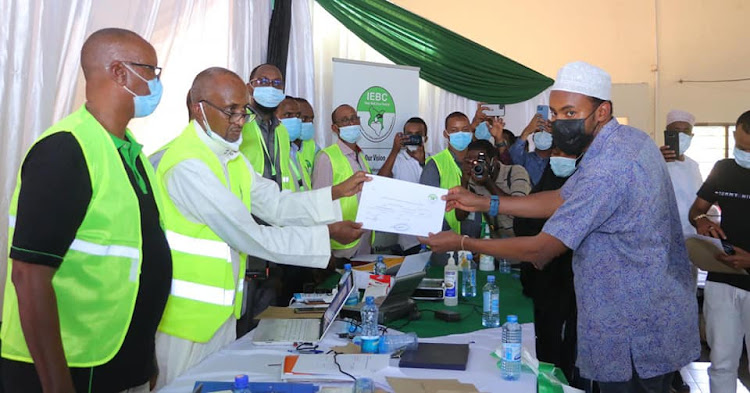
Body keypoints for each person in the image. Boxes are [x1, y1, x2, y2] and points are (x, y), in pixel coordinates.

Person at [421, 61, 700, 393]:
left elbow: (540, 249)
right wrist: (485, 203)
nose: (559, 123)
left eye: (570, 113)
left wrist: (461, 242)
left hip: (633, 332)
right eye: (554, 113)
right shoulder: (627, 140)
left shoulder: (609, 168)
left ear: (602, 111)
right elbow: (561, 197)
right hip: (651, 315)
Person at [151, 68, 367, 387]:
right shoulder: (188, 165)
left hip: (222, 315)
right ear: (199, 108)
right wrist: (328, 234)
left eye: (244, 110)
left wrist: (335, 193)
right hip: (184, 323)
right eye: (231, 111)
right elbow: (250, 235)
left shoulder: (231, 158)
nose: (240, 119)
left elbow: (276, 204)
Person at [1, 28, 170, 393]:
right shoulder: (66, 150)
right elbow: (29, 276)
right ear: (120, 73)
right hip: (70, 368)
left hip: (120, 361)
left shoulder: (130, 153)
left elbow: (140, 264)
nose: (157, 85)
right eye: (152, 72)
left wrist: (146, 358)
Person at [688, 110, 750, 393]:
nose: (742, 153)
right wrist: (701, 222)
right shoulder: (723, 169)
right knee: (722, 361)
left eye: (748, 149)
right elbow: (696, 210)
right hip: (722, 277)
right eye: (739, 145)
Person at [515, 147, 578, 384]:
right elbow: (524, 222)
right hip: (542, 279)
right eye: (557, 153)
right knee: (544, 338)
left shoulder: (585, 190)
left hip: (571, 279)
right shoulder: (545, 184)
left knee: (568, 342)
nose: (561, 159)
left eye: (569, 154)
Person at [312, 104, 374, 260]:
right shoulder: (327, 157)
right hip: (341, 244)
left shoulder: (360, 155)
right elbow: (319, 203)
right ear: (335, 128)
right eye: (345, 120)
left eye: (354, 118)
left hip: (364, 238)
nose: (351, 123)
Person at [420, 112, 482, 239]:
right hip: (448, 242)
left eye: (465, 130)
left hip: (483, 240)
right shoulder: (435, 164)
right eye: (454, 130)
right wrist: (450, 238)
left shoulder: (480, 161)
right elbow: (429, 207)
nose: (461, 134)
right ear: (445, 134)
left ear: (471, 132)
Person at [377, 117, 429, 254]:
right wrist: (395, 150)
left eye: (417, 134)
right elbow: (380, 182)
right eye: (408, 134)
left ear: (425, 138)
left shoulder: (434, 159)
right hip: (408, 239)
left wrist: (422, 162)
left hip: (433, 235)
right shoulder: (397, 159)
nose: (412, 138)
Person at [240, 63, 295, 191]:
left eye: (277, 83)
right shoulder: (239, 123)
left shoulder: (282, 130)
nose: (271, 87)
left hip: (279, 204)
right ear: (250, 88)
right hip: (247, 206)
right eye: (263, 81)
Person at [463, 140, 531, 238]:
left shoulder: (515, 172)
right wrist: (464, 180)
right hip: (498, 240)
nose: (476, 166)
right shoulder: (474, 180)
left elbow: (517, 209)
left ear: (493, 160)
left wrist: (488, 182)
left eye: (480, 161)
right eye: (470, 162)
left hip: (523, 238)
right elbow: (461, 216)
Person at [661, 110, 704, 236]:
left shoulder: (693, 166)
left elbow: (699, 199)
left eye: (685, 131)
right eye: (676, 130)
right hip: (664, 232)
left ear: (691, 135)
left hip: (691, 232)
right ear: (667, 133)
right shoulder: (654, 160)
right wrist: (656, 161)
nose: (681, 135)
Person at [509, 113, 554, 185]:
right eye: (540, 130)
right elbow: (513, 156)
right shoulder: (526, 159)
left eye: (548, 132)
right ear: (533, 137)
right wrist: (526, 131)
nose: (543, 134)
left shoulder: (558, 162)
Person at [276, 96, 309, 191]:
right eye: (288, 115)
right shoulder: (272, 152)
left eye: (298, 115)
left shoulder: (297, 152)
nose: (294, 120)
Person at [294, 97, 320, 177]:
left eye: (311, 119)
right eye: (304, 118)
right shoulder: (278, 145)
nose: (309, 123)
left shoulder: (313, 147)